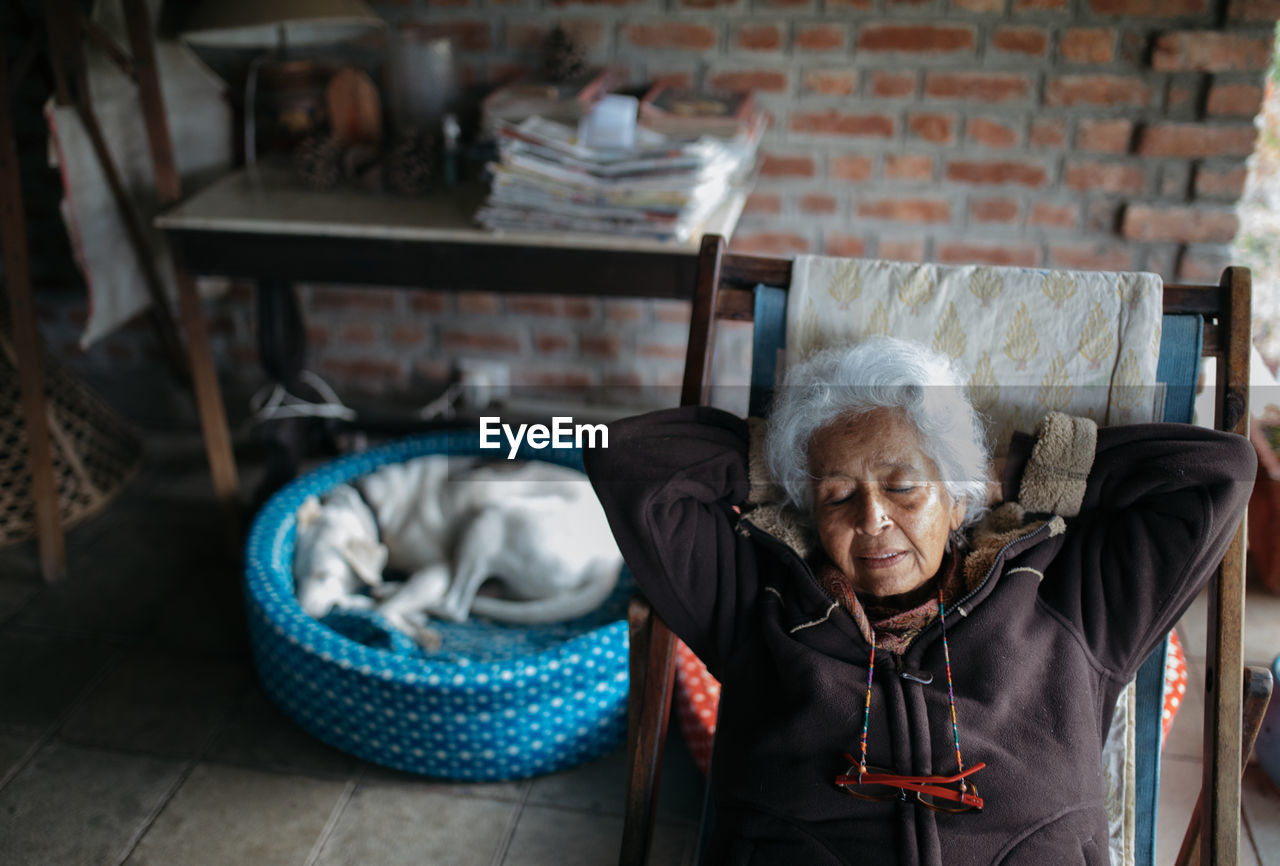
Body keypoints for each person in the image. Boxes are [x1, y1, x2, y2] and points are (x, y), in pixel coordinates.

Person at [584, 337, 1255, 866]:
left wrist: (1014, 474)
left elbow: (1217, 473)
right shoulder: (754, 599)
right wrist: (783, 462)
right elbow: (625, 460)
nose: (872, 519)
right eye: (838, 496)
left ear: (957, 495)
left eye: (904, 486)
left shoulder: (1065, 596)